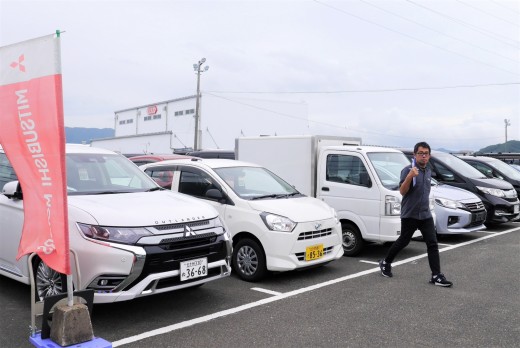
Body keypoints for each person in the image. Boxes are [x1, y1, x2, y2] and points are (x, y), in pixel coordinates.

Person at [379, 141, 453, 287]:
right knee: (403, 241)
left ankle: (436, 275)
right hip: (410, 214)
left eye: (426, 154)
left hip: (425, 215)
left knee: (432, 243)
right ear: (415, 155)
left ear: (429, 156)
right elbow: (402, 191)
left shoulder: (428, 170)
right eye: (420, 153)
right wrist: (410, 177)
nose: (423, 156)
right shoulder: (408, 170)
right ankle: (386, 263)